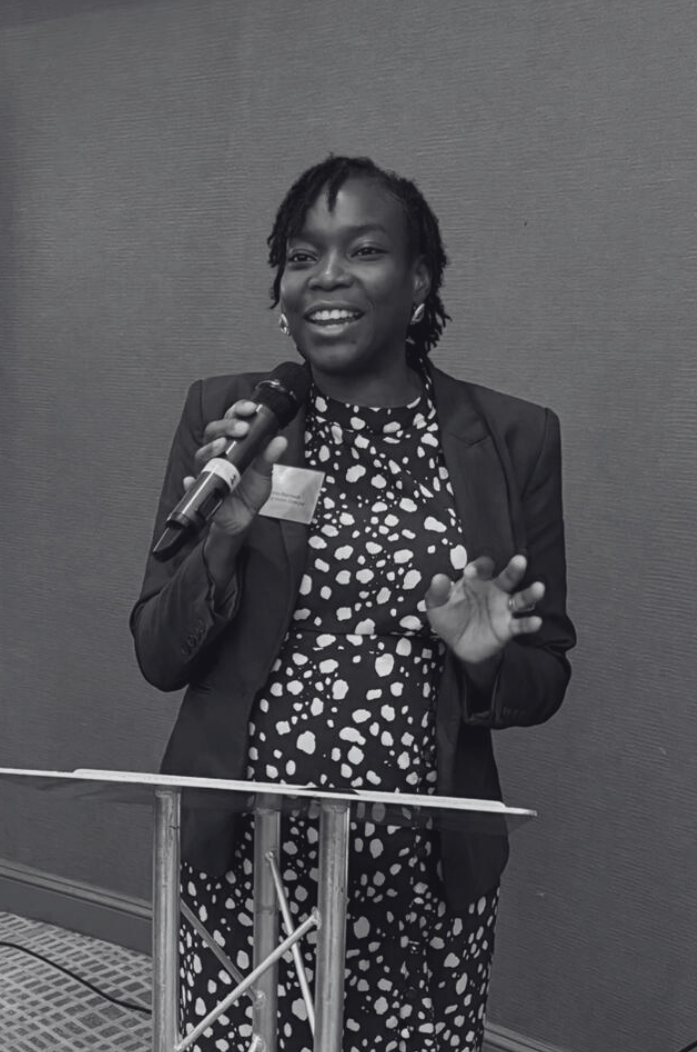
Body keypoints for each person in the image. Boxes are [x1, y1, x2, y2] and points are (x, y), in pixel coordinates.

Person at [130, 155, 575, 1052]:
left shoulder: (514, 437)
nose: (326, 276)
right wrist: (225, 534)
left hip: (419, 859)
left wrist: (484, 655)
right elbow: (157, 652)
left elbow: (544, 675)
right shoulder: (233, 415)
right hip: (245, 845)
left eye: (363, 250)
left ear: (419, 282)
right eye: (302, 256)